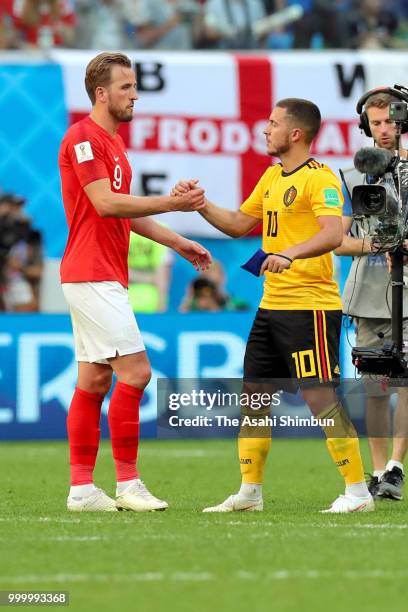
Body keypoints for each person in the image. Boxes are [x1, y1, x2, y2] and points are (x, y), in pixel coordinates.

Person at [173, 97, 374, 513]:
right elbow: (237, 225)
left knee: (320, 397)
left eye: (272, 123)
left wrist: (291, 254)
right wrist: (200, 203)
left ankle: (357, 491)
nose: (265, 130)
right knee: (254, 396)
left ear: (295, 134)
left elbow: (334, 234)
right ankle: (250, 492)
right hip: (272, 306)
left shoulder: (320, 180)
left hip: (312, 306)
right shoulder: (271, 178)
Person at [58, 51, 211, 512]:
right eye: (126, 87)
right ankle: (128, 484)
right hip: (91, 273)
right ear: (102, 93)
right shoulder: (84, 139)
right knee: (137, 373)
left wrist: (177, 240)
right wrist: (170, 202)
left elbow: (125, 212)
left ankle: (82, 489)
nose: (135, 94)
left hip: (100, 273)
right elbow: (105, 204)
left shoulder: (114, 145)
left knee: (93, 379)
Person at [336, 90, 408, 501]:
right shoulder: (350, 177)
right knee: (375, 384)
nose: (384, 130)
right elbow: (337, 240)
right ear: (366, 126)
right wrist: (380, 246)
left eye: (391, 121)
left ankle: (397, 466)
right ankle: (379, 469)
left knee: (406, 382)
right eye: (376, 122)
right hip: (369, 291)